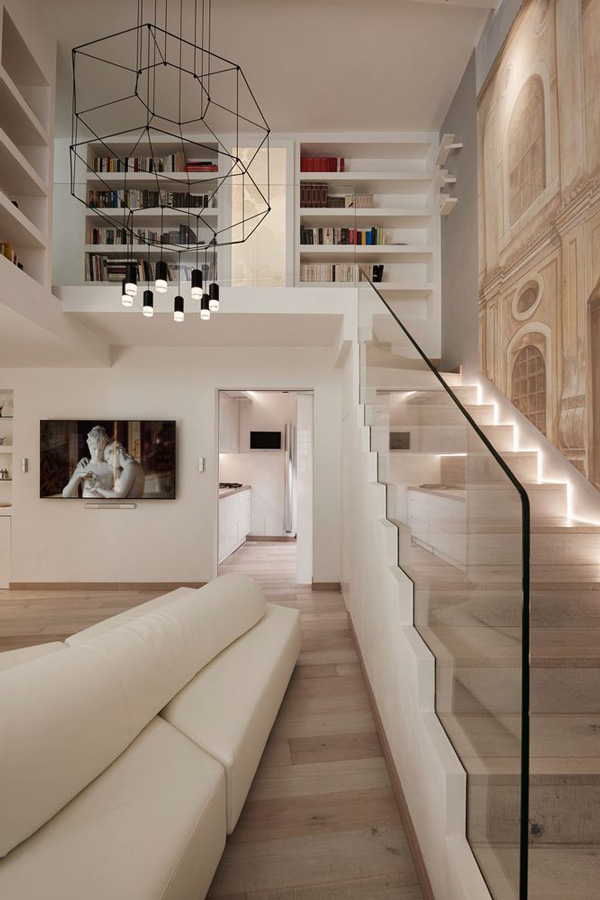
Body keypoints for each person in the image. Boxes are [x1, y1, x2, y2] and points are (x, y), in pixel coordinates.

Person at [62, 425, 115, 498]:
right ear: (89, 447)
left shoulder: (111, 466)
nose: (97, 454)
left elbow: (119, 493)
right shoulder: (84, 465)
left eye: (101, 449)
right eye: (94, 449)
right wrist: (79, 476)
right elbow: (66, 494)